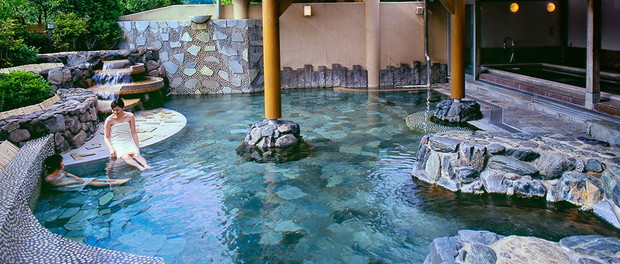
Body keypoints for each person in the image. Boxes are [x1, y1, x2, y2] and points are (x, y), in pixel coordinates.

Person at [104, 99, 152, 171]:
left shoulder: (130, 116)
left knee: (136, 155)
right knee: (126, 157)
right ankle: (139, 167)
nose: (115, 112)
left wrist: (137, 144)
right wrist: (111, 149)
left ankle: (146, 165)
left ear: (123, 108)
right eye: (113, 110)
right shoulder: (109, 120)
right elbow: (106, 137)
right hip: (117, 142)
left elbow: (134, 132)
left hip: (128, 140)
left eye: (117, 110)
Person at [43, 154, 130, 191]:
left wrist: (76, 177)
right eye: (61, 161)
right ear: (56, 165)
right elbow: (59, 185)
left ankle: (115, 180)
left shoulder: (59, 170)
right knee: (89, 183)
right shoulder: (49, 178)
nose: (63, 162)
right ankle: (115, 183)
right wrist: (76, 182)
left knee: (92, 179)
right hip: (67, 186)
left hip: (70, 180)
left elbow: (66, 173)